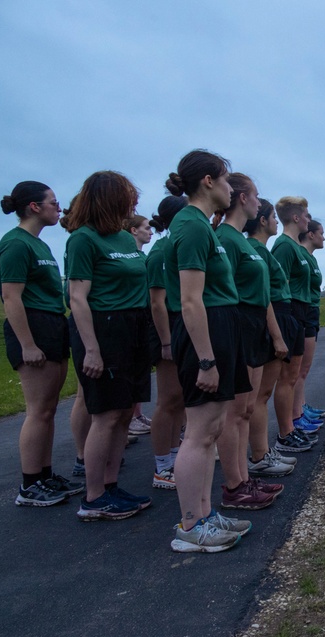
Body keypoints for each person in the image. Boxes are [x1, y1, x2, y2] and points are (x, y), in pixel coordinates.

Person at [164, 150, 252, 552]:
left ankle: (204, 514)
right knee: (199, 433)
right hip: (206, 334)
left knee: (213, 428)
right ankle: (190, 526)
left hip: (220, 327)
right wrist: (205, 359)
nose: (232, 188)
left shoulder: (200, 225)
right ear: (208, 181)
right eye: (228, 180)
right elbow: (190, 300)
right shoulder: (192, 227)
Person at [65, 171, 152, 521]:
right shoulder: (83, 240)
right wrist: (92, 349)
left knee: (121, 416)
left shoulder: (122, 238)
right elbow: (78, 297)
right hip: (104, 327)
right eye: (128, 197)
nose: (133, 203)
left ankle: (112, 485)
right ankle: (94, 496)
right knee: (104, 414)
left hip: (133, 327)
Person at [0, 181, 83, 507]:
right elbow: (11, 298)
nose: (58, 209)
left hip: (51, 323)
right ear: (34, 206)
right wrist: (27, 344)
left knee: (48, 409)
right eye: (53, 203)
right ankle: (30, 485)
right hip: (33, 325)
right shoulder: (15, 245)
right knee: (38, 411)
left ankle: (45, 475)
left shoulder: (38, 244)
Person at [213, 174, 281, 511]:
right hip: (237, 322)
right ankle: (234, 485)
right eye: (255, 195)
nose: (259, 202)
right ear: (242, 198)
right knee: (234, 412)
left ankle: (243, 479)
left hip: (253, 324)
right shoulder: (224, 237)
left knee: (245, 410)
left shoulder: (237, 239)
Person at [244, 198, 302, 475]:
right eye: (273, 218)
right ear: (263, 221)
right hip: (273, 316)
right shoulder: (255, 248)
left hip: (280, 314)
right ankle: (259, 455)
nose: (276, 222)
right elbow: (264, 294)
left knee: (263, 392)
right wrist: (277, 336)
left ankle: (263, 451)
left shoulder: (263, 250)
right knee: (261, 394)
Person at [145, 196, 188, 490]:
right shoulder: (161, 251)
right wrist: (166, 343)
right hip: (168, 327)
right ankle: (162, 467)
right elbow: (157, 303)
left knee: (181, 399)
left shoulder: (176, 246)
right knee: (167, 400)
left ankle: (175, 457)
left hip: (181, 325)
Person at [271, 196, 317, 453]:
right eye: (307, 216)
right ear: (296, 217)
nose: (309, 220)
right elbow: (279, 283)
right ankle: (285, 432)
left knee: (293, 375)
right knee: (287, 377)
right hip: (289, 311)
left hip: (300, 311)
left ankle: (291, 425)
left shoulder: (292, 245)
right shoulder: (284, 246)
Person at [293, 219, 325, 431]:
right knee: (299, 370)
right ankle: (297, 414)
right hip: (303, 312)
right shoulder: (300, 254)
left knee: (304, 369)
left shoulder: (310, 258)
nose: (324, 237)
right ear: (311, 234)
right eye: (321, 233)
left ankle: (302, 406)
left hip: (312, 311)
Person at [126, 214, 154, 437]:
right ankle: (131, 417)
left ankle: (136, 414)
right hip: (131, 316)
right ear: (133, 231)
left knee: (139, 370)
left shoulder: (142, 256)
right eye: (146, 228)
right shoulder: (130, 256)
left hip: (143, 316)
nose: (150, 231)